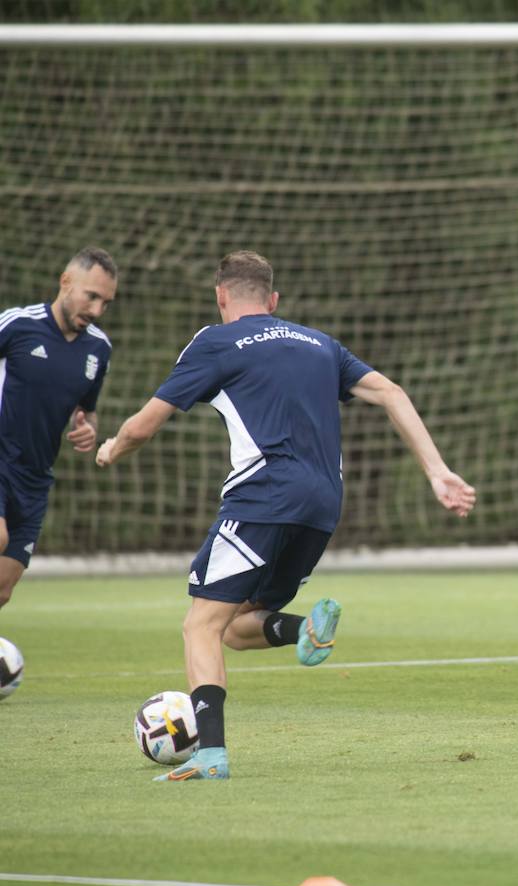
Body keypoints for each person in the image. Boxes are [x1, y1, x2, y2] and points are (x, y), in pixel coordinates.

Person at [96, 251, 476, 781]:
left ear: (221, 296)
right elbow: (392, 393)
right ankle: (302, 628)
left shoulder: (214, 340)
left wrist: (112, 448)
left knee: (199, 625)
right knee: (232, 627)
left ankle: (210, 756)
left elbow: (143, 426)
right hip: (323, 504)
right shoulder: (320, 343)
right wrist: (437, 472)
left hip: (263, 498)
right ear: (273, 301)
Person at [0, 248, 117, 614]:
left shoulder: (98, 349)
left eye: (106, 302)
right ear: (66, 282)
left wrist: (88, 431)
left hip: (34, 480)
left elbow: (88, 411)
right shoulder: (17, 325)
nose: (97, 310)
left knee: (3, 588)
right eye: (91, 296)